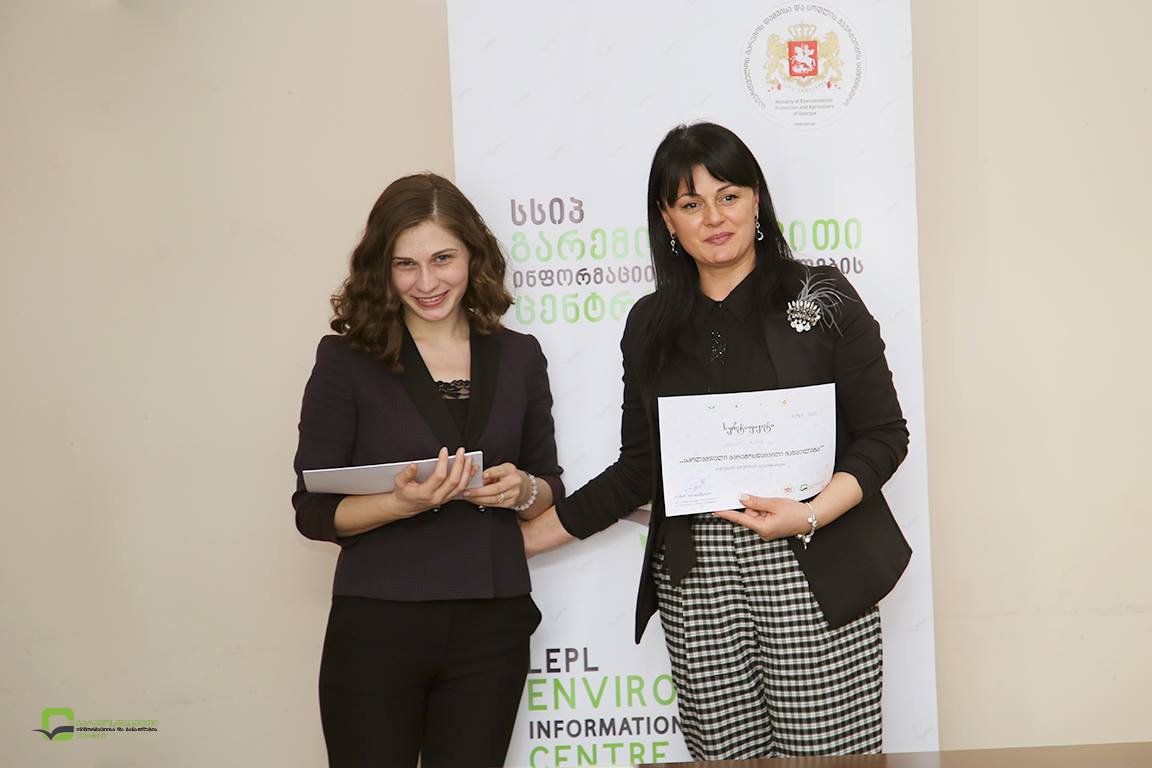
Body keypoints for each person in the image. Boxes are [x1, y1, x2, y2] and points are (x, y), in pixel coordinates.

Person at [520, 122, 911, 760]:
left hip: (814, 560)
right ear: (667, 219)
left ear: (756, 199)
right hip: (696, 579)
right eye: (690, 203)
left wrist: (810, 513)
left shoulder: (821, 295)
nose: (714, 217)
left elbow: (883, 435)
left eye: (728, 195)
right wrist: (517, 543)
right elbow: (640, 470)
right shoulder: (649, 323)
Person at [292, 173, 563, 768]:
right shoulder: (345, 361)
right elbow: (311, 511)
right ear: (382, 269)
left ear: (473, 255)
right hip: (378, 624)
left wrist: (524, 490)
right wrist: (401, 503)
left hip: (492, 626)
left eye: (443, 258)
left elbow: (549, 485)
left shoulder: (519, 356)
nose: (427, 282)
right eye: (405, 264)